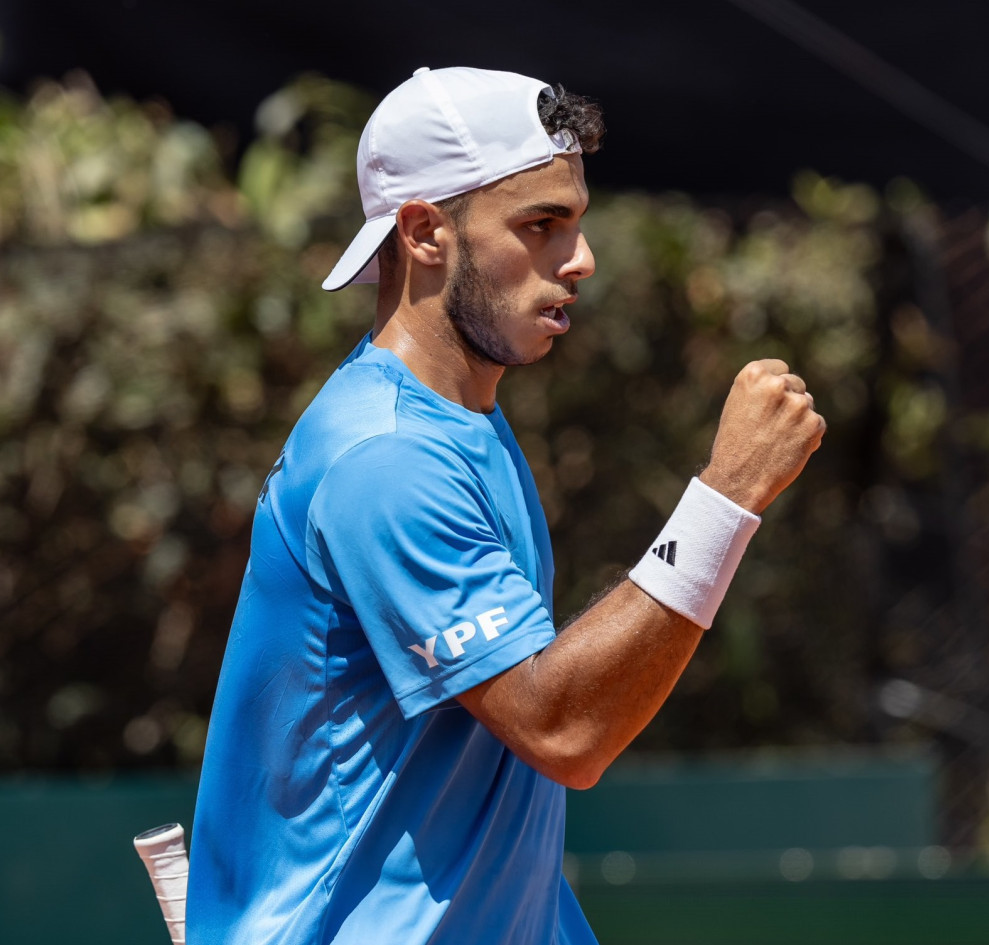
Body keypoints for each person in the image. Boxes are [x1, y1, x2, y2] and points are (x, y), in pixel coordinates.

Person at [187, 66, 825, 945]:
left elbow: (490, 772)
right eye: (540, 226)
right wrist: (727, 495)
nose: (581, 258)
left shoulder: (460, 424)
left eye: (576, 221)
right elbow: (560, 727)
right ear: (423, 234)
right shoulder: (386, 458)